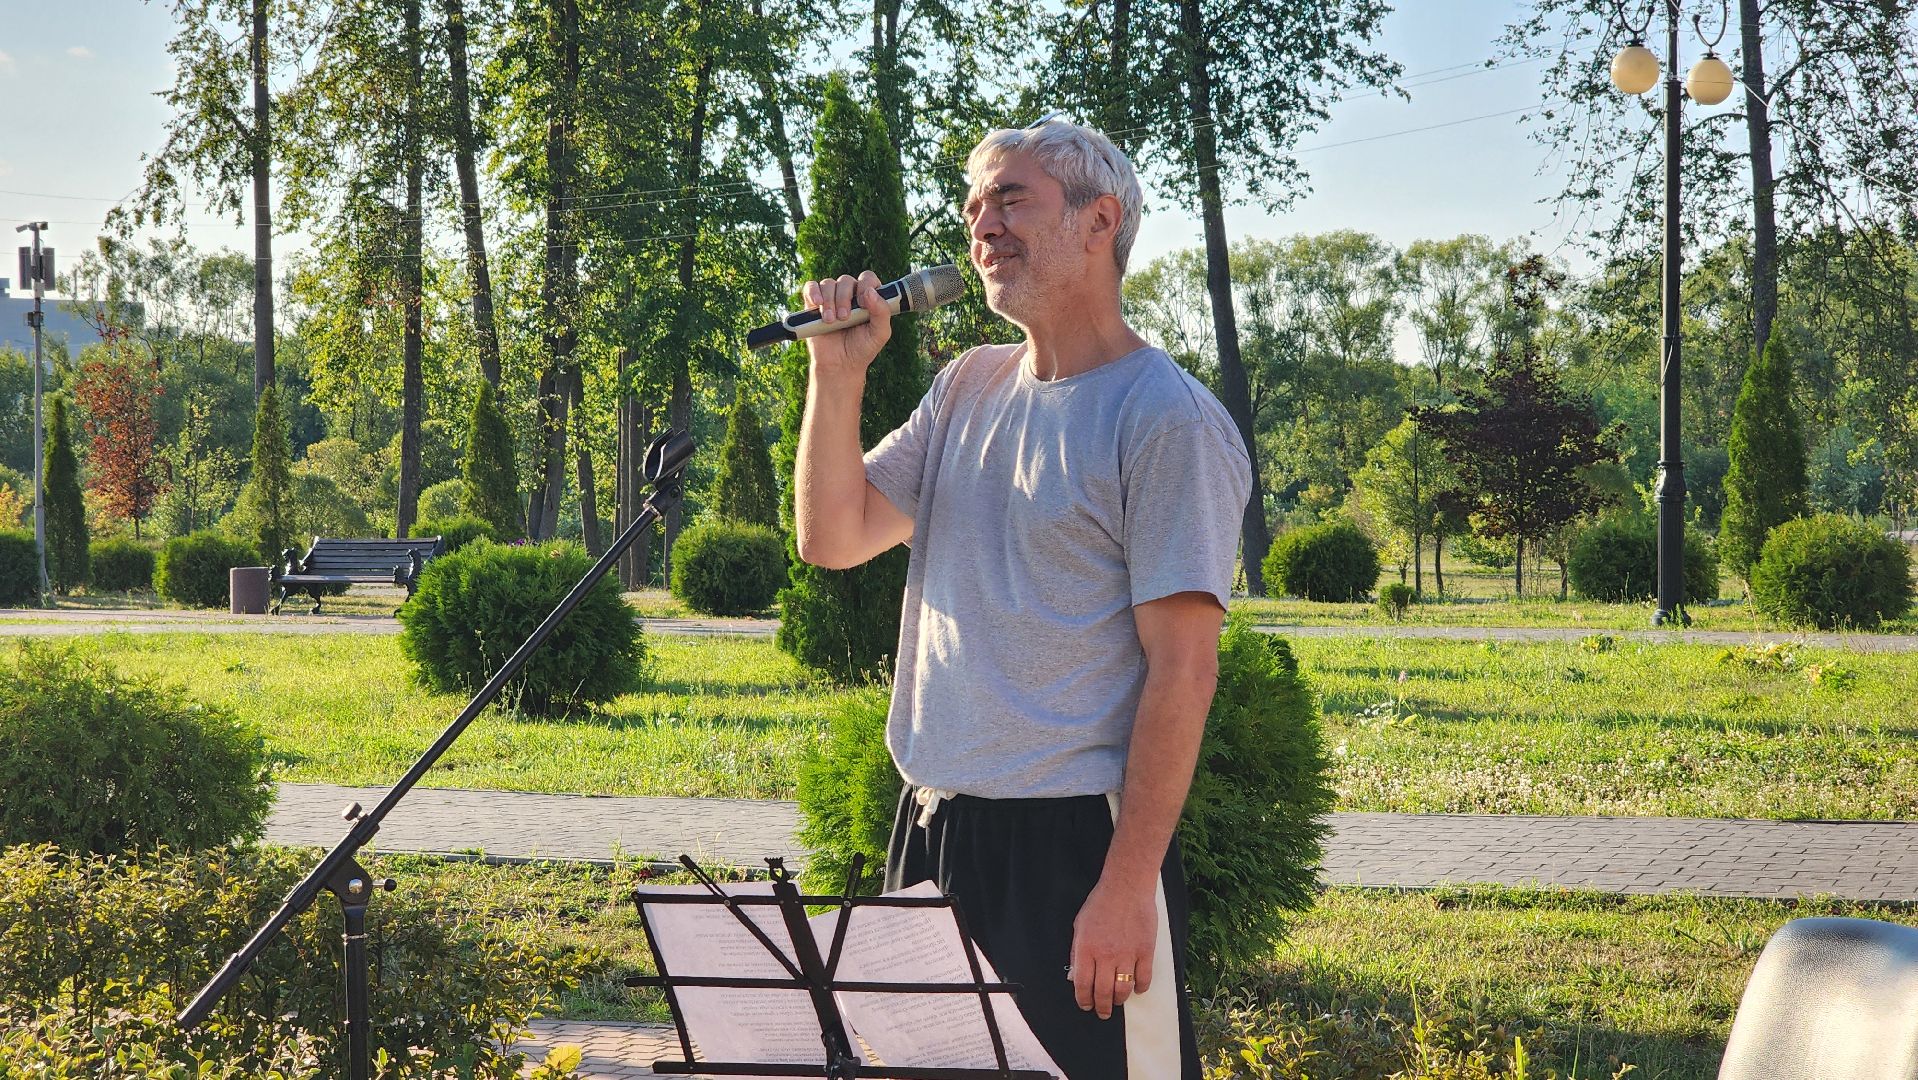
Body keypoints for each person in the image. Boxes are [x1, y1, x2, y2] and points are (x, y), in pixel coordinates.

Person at [791, 118, 1251, 1079]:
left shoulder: (1163, 418)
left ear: (1100, 221)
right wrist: (836, 377)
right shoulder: (967, 387)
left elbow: (1185, 670)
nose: (982, 226)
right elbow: (833, 538)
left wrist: (1126, 889)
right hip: (931, 828)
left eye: (1011, 199)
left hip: (1074, 850)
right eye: (973, 208)